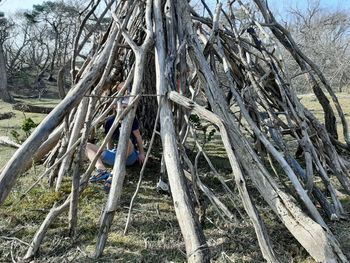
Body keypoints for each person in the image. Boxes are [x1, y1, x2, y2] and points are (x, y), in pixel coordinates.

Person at [85, 98, 145, 190]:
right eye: (123, 107)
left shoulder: (132, 120)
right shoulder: (109, 121)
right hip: (115, 153)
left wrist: (141, 153)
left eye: (127, 107)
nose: (125, 109)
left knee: (127, 140)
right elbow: (109, 138)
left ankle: (113, 174)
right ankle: (102, 170)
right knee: (87, 146)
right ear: (115, 107)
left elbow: (138, 137)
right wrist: (109, 150)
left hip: (129, 156)